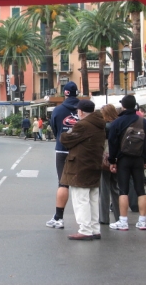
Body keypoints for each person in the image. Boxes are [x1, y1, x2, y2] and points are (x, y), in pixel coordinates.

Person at [60, 100, 105, 240]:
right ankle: (94, 228)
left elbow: (66, 139)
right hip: (94, 164)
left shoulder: (83, 125)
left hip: (80, 166)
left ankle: (85, 230)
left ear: (81, 112)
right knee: (92, 198)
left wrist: (68, 131)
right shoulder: (99, 124)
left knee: (81, 198)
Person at [108, 95, 146, 231]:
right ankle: (143, 221)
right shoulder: (143, 121)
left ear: (123, 106)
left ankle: (123, 221)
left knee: (123, 190)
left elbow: (112, 143)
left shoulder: (117, 122)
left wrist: (112, 161)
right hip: (139, 159)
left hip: (123, 159)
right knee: (141, 190)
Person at [46, 81, 79, 229]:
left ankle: (59, 218)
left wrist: (61, 136)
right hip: (82, 150)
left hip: (62, 149)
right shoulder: (84, 108)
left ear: (64, 93)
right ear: (76, 93)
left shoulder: (58, 111)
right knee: (83, 184)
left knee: (63, 183)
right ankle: (85, 220)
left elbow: (54, 128)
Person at [99, 104, 120, 225]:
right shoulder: (120, 124)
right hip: (118, 159)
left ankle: (104, 217)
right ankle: (119, 217)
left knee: (104, 189)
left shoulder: (104, 127)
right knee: (116, 189)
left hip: (105, 160)